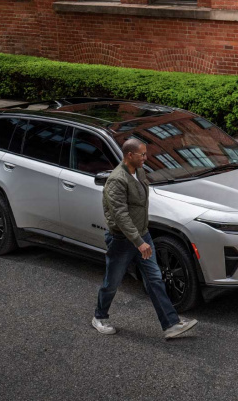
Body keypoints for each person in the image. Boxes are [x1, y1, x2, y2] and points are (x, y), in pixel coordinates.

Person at [92, 138, 198, 340]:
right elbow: (120, 215)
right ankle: (99, 317)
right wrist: (138, 242)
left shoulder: (139, 172)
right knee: (112, 282)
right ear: (129, 155)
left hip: (143, 235)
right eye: (142, 154)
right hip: (122, 240)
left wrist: (143, 237)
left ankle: (171, 325)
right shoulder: (117, 180)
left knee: (155, 280)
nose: (145, 158)